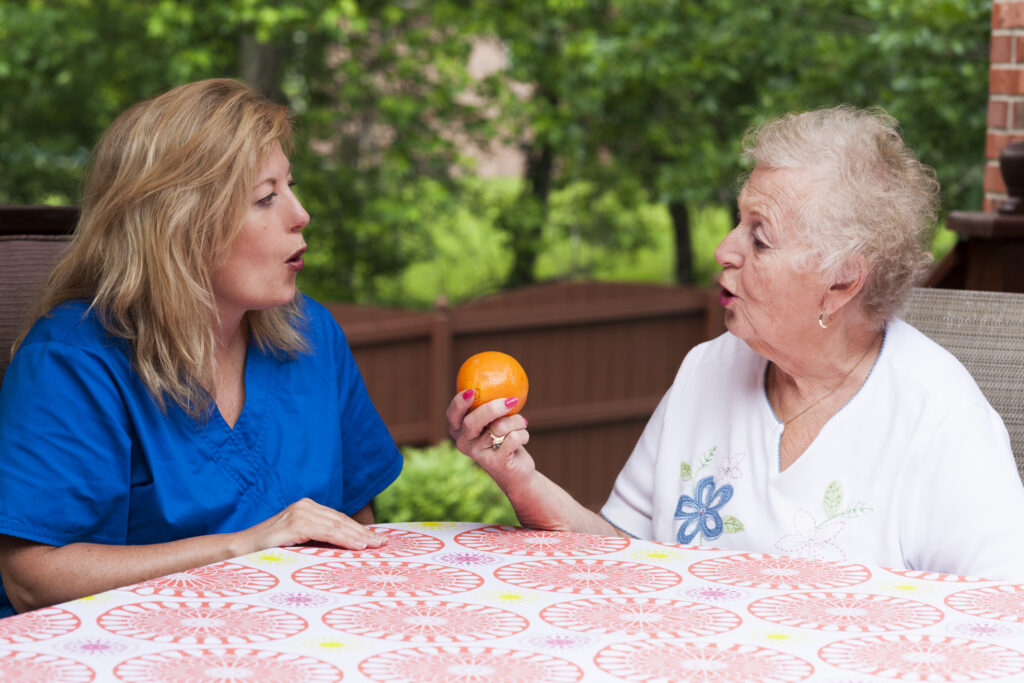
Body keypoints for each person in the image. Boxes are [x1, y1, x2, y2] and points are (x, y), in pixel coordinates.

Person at [448, 105, 1024, 580]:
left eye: (761, 238)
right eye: (737, 221)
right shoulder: (708, 369)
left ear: (843, 281)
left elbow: (1001, 620)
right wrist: (518, 477)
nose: (725, 248)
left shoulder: (942, 421)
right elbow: (620, 555)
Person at [0, 79, 403, 617]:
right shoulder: (71, 362)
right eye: (266, 197)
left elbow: (357, 520)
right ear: (180, 225)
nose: (300, 213)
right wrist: (245, 546)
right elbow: (33, 576)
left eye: (290, 186)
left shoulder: (313, 335)